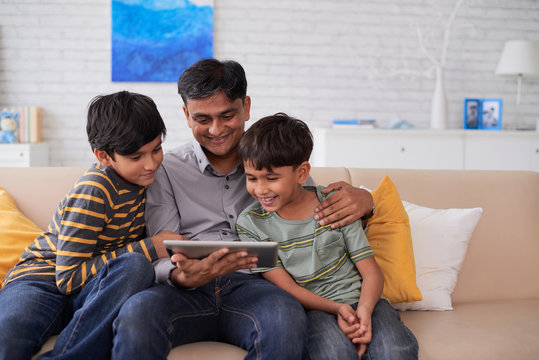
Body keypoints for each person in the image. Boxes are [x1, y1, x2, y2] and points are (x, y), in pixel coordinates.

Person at [112, 58, 375, 360]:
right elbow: (163, 246)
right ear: (186, 115)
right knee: (136, 314)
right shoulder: (167, 169)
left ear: (246, 107)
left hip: (257, 286)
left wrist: (367, 201)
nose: (216, 129)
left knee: (285, 320)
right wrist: (181, 276)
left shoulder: (275, 158)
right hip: (185, 291)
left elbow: (312, 212)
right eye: (202, 119)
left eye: (227, 115)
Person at [236, 113, 419, 360]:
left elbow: (371, 272)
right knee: (334, 354)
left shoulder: (334, 204)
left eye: (271, 178)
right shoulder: (251, 224)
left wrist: (363, 311)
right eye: (251, 178)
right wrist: (338, 309)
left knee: (395, 351)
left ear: (301, 173)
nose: (260, 189)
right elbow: (287, 287)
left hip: (364, 300)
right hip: (313, 309)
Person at [0, 91, 167, 360]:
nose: (151, 164)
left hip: (95, 290)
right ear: (103, 156)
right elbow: (67, 279)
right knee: (8, 341)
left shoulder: (153, 181)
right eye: (136, 157)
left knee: (135, 267)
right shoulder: (95, 189)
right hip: (42, 278)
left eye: (156, 149)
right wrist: (151, 248)